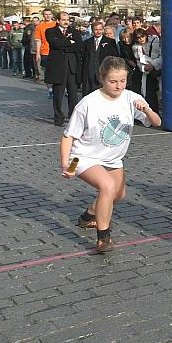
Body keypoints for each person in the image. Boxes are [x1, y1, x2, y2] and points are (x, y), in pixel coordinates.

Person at [62, 56, 161, 252]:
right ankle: (103, 238)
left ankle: (88, 216)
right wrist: (66, 164)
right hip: (83, 156)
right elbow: (68, 136)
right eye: (113, 81)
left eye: (122, 81)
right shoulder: (87, 103)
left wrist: (147, 110)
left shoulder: (132, 98)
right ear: (102, 79)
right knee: (107, 186)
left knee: (118, 194)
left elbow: (157, 123)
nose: (118, 86)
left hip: (113, 158)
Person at [45, 12, 83, 126]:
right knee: (58, 94)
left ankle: (73, 117)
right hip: (58, 67)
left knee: (73, 94)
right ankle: (58, 117)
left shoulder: (74, 31)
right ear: (58, 20)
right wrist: (69, 42)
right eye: (63, 19)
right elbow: (55, 43)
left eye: (68, 20)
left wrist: (65, 46)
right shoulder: (51, 31)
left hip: (72, 66)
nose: (66, 22)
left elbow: (79, 45)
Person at [81, 21, 119, 94]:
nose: (98, 31)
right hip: (89, 72)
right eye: (96, 29)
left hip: (103, 71)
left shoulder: (110, 42)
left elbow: (114, 57)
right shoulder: (87, 42)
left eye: (100, 29)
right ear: (92, 30)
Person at [131, 29, 161, 113]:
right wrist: (144, 68)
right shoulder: (135, 46)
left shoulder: (155, 40)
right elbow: (138, 60)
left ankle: (156, 114)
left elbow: (160, 55)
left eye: (142, 36)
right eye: (138, 38)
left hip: (158, 68)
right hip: (146, 71)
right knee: (147, 92)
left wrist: (153, 65)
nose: (141, 39)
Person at [34, 8, 56, 95]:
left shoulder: (56, 24)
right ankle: (50, 90)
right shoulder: (40, 26)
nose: (48, 16)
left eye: (49, 14)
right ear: (43, 16)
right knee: (47, 72)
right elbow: (38, 40)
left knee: (58, 71)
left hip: (55, 51)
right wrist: (38, 53)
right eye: (46, 14)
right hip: (45, 52)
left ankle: (61, 89)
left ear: (52, 15)